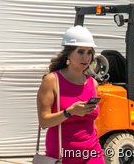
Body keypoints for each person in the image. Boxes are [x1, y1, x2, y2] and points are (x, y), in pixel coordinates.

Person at [35, 26, 103, 164]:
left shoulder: (93, 83)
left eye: (89, 52)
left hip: (92, 152)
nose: (86, 57)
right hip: (62, 154)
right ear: (68, 54)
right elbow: (44, 122)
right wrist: (69, 112)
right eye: (81, 52)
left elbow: (91, 123)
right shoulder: (52, 80)